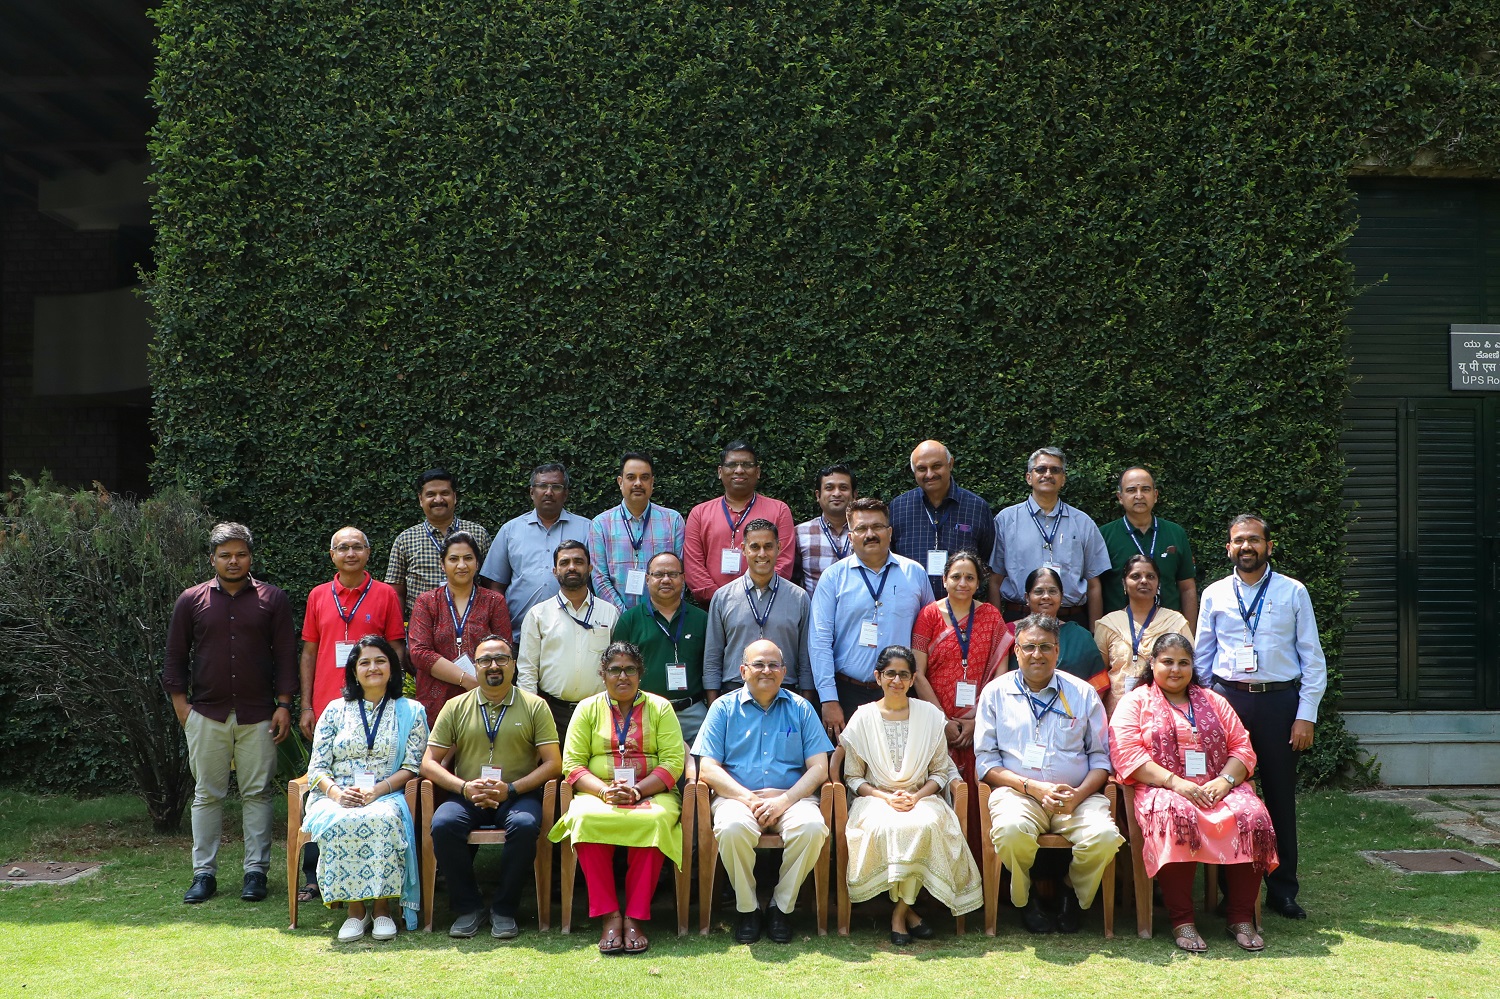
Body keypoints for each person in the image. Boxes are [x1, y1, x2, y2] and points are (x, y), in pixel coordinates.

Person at [1194, 513, 1326, 921]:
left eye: (1254, 539)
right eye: (1239, 540)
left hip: (1278, 706)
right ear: (1228, 547)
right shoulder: (1214, 593)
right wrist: (1202, 709)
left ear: (1269, 546)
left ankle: (1283, 890)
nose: (1246, 546)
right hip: (1227, 702)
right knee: (1225, 798)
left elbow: (1313, 660)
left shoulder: (1293, 592)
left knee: (1280, 799)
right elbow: (1202, 655)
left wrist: (1305, 716)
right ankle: (1228, 891)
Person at [1110, 633, 1278, 953]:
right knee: (1177, 816)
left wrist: (1226, 781)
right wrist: (1177, 783)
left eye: (1183, 663)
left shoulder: (1213, 700)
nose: (1176, 669)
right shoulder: (1136, 701)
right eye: (1168, 662)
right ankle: (1182, 920)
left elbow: (1242, 748)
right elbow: (1127, 755)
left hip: (1218, 788)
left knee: (1253, 815)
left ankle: (1241, 917)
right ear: (1153, 664)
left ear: (1192, 666)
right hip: (1162, 788)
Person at [163, 522, 297, 905]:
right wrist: (182, 708)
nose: (233, 560)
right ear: (213, 559)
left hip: (259, 714)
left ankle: (255, 873)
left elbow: (286, 654)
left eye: (240, 554)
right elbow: (175, 655)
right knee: (207, 795)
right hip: (206, 713)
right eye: (225, 555)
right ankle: (203, 874)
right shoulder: (191, 600)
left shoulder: (273, 599)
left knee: (257, 793)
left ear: (250, 557)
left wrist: (285, 705)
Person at [973, 614, 1123, 934]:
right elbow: (985, 763)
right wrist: (1032, 787)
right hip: (1019, 794)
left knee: (1106, 838)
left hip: (1076, 797)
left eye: (1045, 647)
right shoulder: (995, 693)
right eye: (1029, 647)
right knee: (1011, 831)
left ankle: (1070, 890)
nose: (1037, 654)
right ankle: (1025, 898)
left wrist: (1079, 795)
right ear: (1016, 651)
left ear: (1058, 651)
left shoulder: (1082, 694)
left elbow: (1101, 759)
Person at [548, 642, 687, 955]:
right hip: (599, 790)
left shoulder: (660, 707)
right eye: (615, 669)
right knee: (585, 818)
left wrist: (638, 791)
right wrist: (603, 790)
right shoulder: (587, 708)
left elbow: (673, 762)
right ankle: (610, 916)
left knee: (653, 821)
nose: (622, 676)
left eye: (630, 669)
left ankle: (635, 917)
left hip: (652, 790)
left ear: (640, 674)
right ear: (603, 674)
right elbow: (572, 764)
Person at [421, 635, 562, 940]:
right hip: (467, 795)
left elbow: (553, 763)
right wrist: (464, 788)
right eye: (485, 660)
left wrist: (510, 789)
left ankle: (504, 909)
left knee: (525, 825)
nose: (493, 666)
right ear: (475, 666)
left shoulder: (535, 706)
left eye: (501, 659)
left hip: (516, 795)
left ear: (513, 666)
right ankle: (469, 907)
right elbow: (428, 763)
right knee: (443, 824)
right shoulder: (455, 706)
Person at [840, 645, 983, 944]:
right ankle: (910, 914)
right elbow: (853, 777)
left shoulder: (930, 715)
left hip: (922, 795)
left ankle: (899, 913)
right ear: (878, 677)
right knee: (888, 826)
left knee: (926, 825)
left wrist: (916, 798)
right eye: (890, 673)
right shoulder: (863, 718)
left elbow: (940, 774)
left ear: (913, 678)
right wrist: (885, 797)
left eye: (904, 675)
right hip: (875, 799)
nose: (897, 680)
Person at [694, 639, 833, 944]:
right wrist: (749, 799)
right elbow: (708, 768)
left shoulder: (801, 709)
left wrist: (783, 801)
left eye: (773, 665)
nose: (766, 670)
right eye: (758, 664)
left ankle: (780, 907)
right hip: (739, 798)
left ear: (784, 672)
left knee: (812, 828)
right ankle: (747, 909)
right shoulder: (723, 708)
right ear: (743, 670)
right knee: (731, 828)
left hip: (792, 798)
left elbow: (820, 768)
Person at [295, 525, 407, 903]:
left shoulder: (386, 594)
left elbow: (394, 649)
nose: (350, 553)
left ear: (368, 553)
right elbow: (309, 651)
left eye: (357, 547)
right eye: (342, 548)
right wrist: (307, 705)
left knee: (370, 788)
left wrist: (395, 695)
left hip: (373, 707)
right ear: (332, 555)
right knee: (324, 784)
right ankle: (316, 877)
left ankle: (375, 881)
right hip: (331, 710)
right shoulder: (317, 596)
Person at [301, 636, 428, 941]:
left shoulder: (412, 710)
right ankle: (356, 910)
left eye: (381, 660)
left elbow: (412, 766)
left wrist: (379, 790)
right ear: (353, 671)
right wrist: (337, 794)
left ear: (392, 668)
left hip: (387, 793)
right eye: (365, 662)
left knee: (381, 818)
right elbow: (317, 768)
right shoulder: (334, 710)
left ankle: (383, 908)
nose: (373, 667)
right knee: (342, 818)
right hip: (336, 794)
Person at [910, 551, 1013, 856]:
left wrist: (977, 720)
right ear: (944, 580)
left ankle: (978, 872)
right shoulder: (928, 615)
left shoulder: (992, 617)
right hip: (936, 724)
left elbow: (1000, 675)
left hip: (979, 724)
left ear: (979, 582)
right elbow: (917, 673)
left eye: (970, 577)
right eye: (956, 576)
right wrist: (941, 720)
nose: (962, 583)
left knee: (977, 794)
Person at [809, 497, 935, 739]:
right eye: (861, 528)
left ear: (889, 532)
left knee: (898, 770)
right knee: (848, 770)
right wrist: (829, 699)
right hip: (847, 693)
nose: (870, 534)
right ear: (850, 536)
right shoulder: (833, 577)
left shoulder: (914, 573)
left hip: (901, 691)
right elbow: (819, 641)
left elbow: (930, 635)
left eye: (877, 527)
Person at [988, 447, 1109, 627]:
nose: (1047, 474)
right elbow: (994, 580)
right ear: (1029, 477)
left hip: (1071, 620)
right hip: (1018, 619)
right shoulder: (1006, 520)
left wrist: (1094, 632)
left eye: (1055, 470)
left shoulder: (1083, 523)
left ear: (1063, 479)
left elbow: (1094, 584)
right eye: (1041, 469)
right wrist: (996, 631)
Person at [479, 462, 591, 648]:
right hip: (518, 636)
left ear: (566, 494)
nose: (548, 492)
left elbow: (595, 580)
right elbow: (495, 585)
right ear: (532, 492)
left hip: (575, 635)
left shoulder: (587, 529)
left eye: (556, 487)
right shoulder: (510, 531)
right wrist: (501, 625)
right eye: (542, 486)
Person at [408, 531, 513, 727]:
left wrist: (478, 682)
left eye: (468, 558)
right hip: (437, 698)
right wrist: (465, 679)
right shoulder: (427, 602)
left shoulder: (494, 601)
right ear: (442, 564)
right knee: (436, 755)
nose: (462, 565)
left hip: (484, 696)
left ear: (477, 564)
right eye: (453, 559)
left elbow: (503, 650)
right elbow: (419, 653)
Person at [516, 539, 618, 736]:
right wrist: (531, 713)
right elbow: (527, 669)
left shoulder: (609, 613)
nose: (571, 567)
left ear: (589, 568)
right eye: (564, 563)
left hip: (599, 712)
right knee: (554, 767)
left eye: (578, 562)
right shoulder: (538, 615)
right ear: (555, 571)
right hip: (552, 712)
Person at [704, 518, 812, 701]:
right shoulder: (723, 597)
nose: (762, 554)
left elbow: (806, 658)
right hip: (734, 692)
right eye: (755, 547)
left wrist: (807, 702)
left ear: (779, 548)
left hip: (785, 693)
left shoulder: (799, 598)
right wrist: (714, 703)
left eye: (768, 546)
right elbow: (713, 656)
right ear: (743, 549)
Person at [611, 552, 710, 741]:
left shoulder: (702, 619)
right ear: (647, 579)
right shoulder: (630, 620)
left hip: (693, 713)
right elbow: (617, 671)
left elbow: (712, 667)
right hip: (646, 712)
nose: (666, 580)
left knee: (696, 769)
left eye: (673, 574)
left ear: (683, 578)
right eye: (658, 575)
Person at [683, 441, 797, 604]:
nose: (739, 470)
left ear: (757, 472)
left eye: (746, 465)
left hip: (766, 606)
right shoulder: (699, 513)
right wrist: (721, 601)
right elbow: (694, 568)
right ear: (720, 472)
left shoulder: (779, 510)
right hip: (713, 608)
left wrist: (757, 596)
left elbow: (783, 563)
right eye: (732, 465)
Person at [889, 441, 994, 598]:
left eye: (936, 466)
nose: (930, 474)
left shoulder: (977, 507)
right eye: (922, 469)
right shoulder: (898, 508)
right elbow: (890, 558)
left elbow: (985, 558)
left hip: (962, 611)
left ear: (950, 464)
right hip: (912, 610)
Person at [1098, 467, 1199, 629]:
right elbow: (1096, 588)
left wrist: (1190, 633)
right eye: (1131, 490)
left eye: (1145, 489)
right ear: (1120, 497)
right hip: (1120, 632)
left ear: (1155, 495)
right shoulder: (1104, 536)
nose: (1139, 496)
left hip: (1169, 630)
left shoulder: (1175, 533)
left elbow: (1187, 587)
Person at [385, 468, 492, 618]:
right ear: (421, 500)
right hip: (423, 627)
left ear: (454, 497)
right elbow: (396, 593)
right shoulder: (405, 540)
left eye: (444, 493)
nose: (438, 499)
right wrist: (398, 634)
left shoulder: (477, 534)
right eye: (430, 494)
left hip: (471, 622)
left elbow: (490, 584)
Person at [1093, 554, 1192, 715]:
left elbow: (1189, 669)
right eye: (1136, 576)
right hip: (1119, 715)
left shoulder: (1175, 622)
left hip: (1167, 713)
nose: (1144, 580)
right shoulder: (1108, 624)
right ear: (1124, 583)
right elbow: (1099, 677)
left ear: (1158, 583)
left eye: (1150, 576)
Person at [588, 451, 686, 612]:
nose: (638, 483)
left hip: (663, 617)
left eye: (645, 477)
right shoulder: (600, 524)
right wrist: (626, 617)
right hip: (617, 619)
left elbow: (681, 574)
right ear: (620, 482)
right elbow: (599, 578)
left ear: (652, 483)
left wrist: (660, 614)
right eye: (631, 477)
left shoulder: (672, 520)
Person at [1015, 566, 1107, 693]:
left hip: (1071, 710)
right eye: (1038, 591)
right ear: (1027, 597)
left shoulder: (1080, 637)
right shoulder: (1010, 634)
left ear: (1061, 597)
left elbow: (1097, 688)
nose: (1046, 596)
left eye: (1052, 591)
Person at [794, 464, 856, 597]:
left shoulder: (866, 533)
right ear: (818, 495)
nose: (837, 493)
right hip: (816, 615)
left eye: (843, 488)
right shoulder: (800, 533)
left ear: (854, 495)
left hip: (858, 615)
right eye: (829, 488)